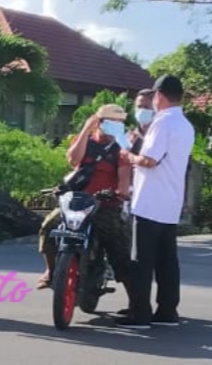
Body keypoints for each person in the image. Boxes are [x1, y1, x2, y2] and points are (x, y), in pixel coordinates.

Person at [118, 75, 195, 330]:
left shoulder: (163, 123)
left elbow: (150, 160)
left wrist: (129, 155)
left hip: (150, 201)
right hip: (170, 202)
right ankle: (167, 311)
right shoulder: (185, 125)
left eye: (153, 97)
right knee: (167, 262)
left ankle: (139, 314)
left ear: (160, 95)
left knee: (141, 261)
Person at [36, 104, 132, 290]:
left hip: (105, 205)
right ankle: (51, 271)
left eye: (119, 123)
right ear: (99, 122)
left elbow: (124, 181)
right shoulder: (84, 141)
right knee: (49, 226)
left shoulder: (121, 149)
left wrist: (120, 193)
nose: (115, 126)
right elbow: (73, 160)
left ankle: (134, 302)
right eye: (111, 122)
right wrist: (86, 128)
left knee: (119, 247)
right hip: (77, 202)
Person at [128, 89, 156, 155]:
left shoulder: (160, 135)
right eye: (139, 107)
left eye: (146, 107)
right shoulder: (129, 136)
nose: (142, 110)